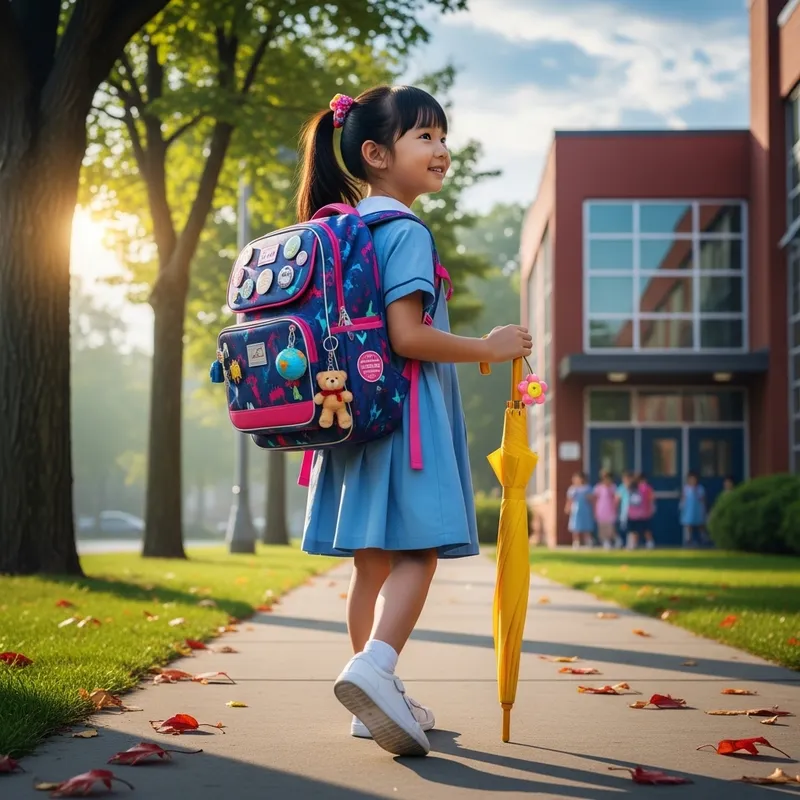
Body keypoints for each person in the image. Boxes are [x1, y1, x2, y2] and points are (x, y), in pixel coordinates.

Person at [296, 86, 533, 758]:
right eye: (423, 137)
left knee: (370, 564)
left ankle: (371, 695)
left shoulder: (345, 229)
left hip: (353, 418)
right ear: (376, 154)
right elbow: (407, 336)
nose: (441, 150)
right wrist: (488, 348)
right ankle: (375, 668)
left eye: (441, 136)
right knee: (417, 553)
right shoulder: (403, 230)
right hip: (404, 420)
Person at [566, 471, 594, 548]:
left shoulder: (587, 488)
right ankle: (576, 542)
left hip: (585, 509)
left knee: (586, 525)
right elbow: (570, 500)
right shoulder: (572, 489)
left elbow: (591, 498)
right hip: (575, 510)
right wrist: (568, 507)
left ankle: (588, 541)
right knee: (575, 526)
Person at [593, 470, 618, 550]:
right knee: (602, 526)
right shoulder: (598, 487)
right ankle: (605, 542)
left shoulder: (613, 487)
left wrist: (616, 507)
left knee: (610, 526)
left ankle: (616, 540)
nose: (607, 480)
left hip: (610, 509)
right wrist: (594, 510)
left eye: (608, 479)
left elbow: (616, 498)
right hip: (601, 510)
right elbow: (595, 499)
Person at [680, 471, 707, 547]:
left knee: (700, 523)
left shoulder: (700, 489)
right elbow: (683, 497)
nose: (692, 481)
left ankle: (703, 537)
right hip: (688, 509)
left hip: (697, 509)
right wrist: (682, 505)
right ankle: (689, 538)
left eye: (694, 479)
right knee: (689, 523)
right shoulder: (686, 488)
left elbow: (702, 499)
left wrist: (704, 508)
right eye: (690, 479)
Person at [633, 471, 656, 550]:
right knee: (640, 530)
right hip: (641, 514)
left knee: (643, 529)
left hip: (642, 514)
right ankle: (645, 543)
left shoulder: (645, 488)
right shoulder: (637, 488)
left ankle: (647, 543)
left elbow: (651, 498)